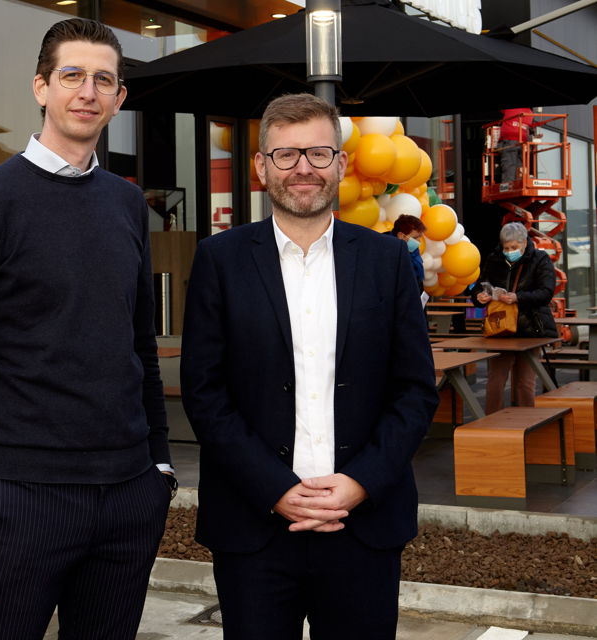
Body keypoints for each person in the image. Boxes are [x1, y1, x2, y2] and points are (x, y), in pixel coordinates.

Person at [0, 18, 174, 640]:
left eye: (104, 80)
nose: (88, 91)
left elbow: (140, 344)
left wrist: (160, 469)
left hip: (127, 497)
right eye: (72, 76)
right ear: (40, 87)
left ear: (119, 99)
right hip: (21, 499)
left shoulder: (125, 204)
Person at [180, 93, 438, 640]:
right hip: (254, 526)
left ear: (341, 164)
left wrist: (360, 482)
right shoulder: (219, 260)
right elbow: (204, 392)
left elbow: (415, 391)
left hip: (363, 526)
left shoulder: (388, 261)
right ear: (260, 166)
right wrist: (274, 487)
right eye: (286, 154)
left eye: (319, 153)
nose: (303, 168)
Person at [471, 221, 557, 412]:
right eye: (506, 248)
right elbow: (479, 286)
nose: (509, 251)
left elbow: (546, 292)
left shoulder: (540, 259)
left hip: (530, 328)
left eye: (513, 247)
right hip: (500, 328)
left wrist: (518, 297)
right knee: (496, 379)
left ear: (525, 243)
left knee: (525, 381)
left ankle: (525, 424)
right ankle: (492, 424)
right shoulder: (494, 259)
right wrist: (479, 296)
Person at [389, 213, 426, 290]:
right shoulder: (387, 253)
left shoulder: (412, 249)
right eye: (415, 237)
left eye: (420, 237)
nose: (419, 241)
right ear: (401, 235)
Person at [498, 107, 534, 183]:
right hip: (523, 142)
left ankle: (507, 188)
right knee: (520, 166)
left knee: (509, 165)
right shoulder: (530, 112)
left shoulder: (510, 108)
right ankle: (519, 185)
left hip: (510, 139)